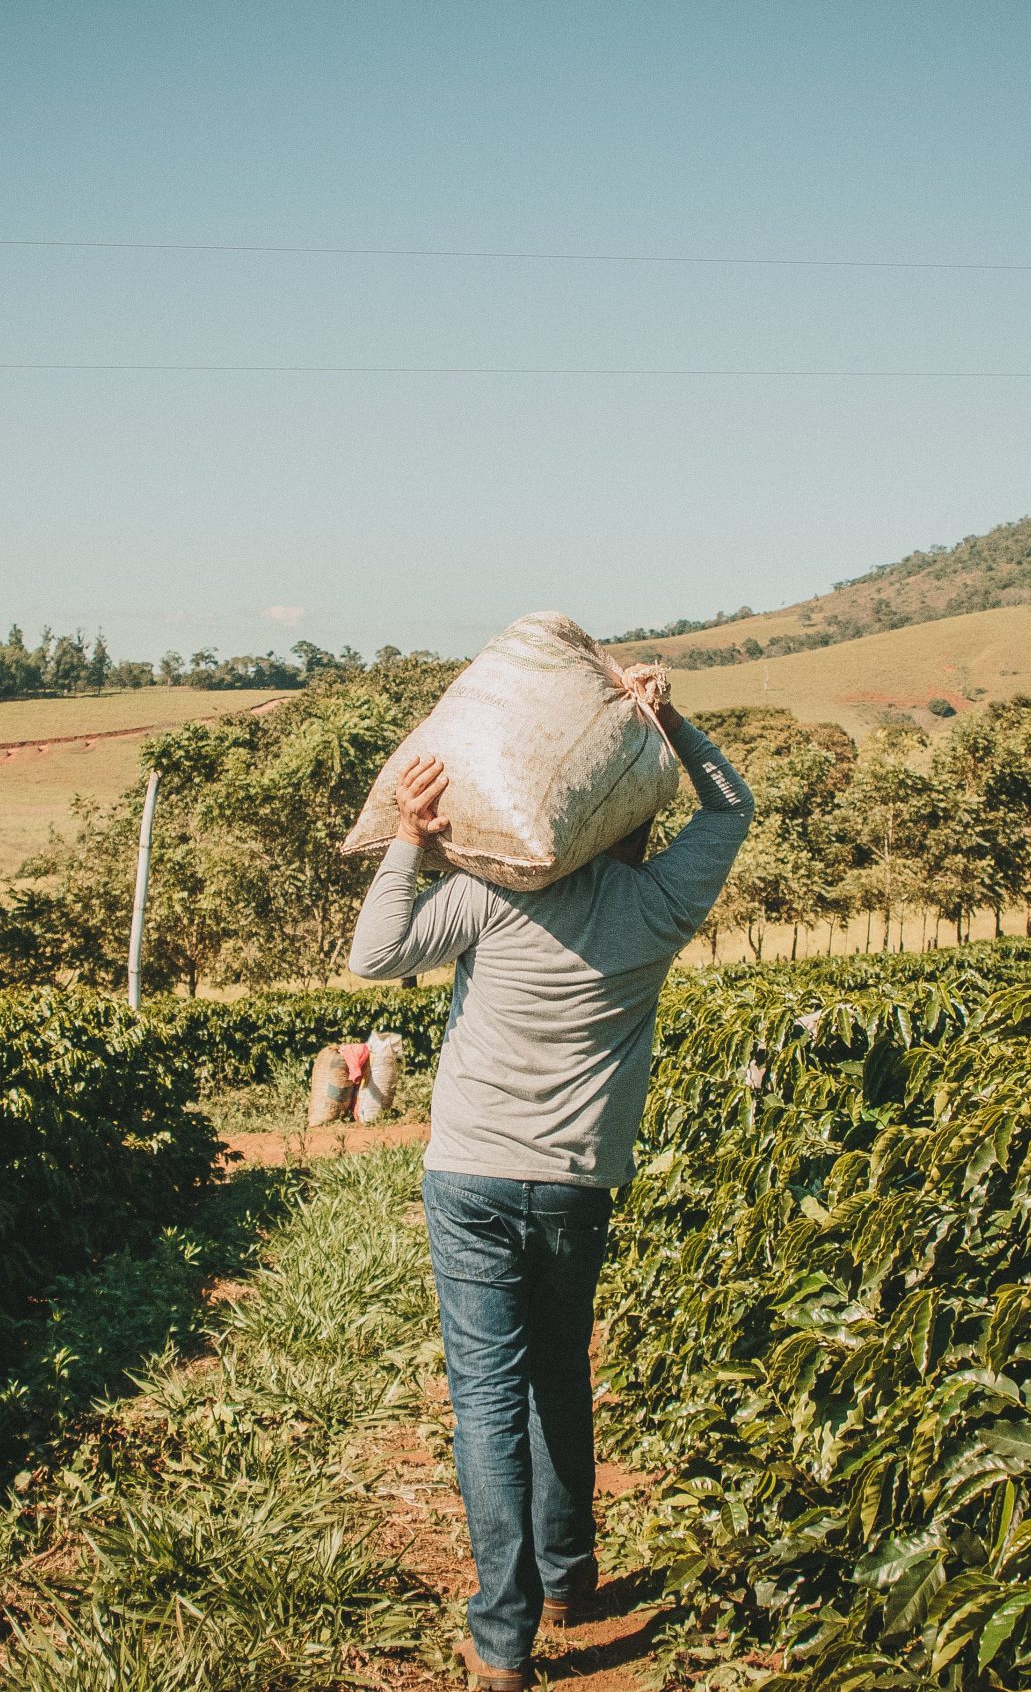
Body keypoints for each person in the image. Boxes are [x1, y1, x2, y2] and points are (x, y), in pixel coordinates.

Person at [346, 666, 751, 1691]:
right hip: (576, 1184)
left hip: (469, 1178)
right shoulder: (661, 905)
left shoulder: (490, 893)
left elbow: (375, 954)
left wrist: (409, 834)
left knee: (486, 1398)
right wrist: (665, 720)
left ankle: (501, 1639)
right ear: (628, 818)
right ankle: (569, 1576)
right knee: (559, 1371)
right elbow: (733, 801)